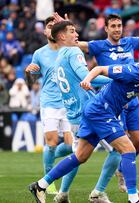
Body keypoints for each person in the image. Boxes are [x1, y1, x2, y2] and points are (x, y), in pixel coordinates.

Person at [52, 11, 139, 199]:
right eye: (113, 26)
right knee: (116, 147)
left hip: (131, 98)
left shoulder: (129, 42)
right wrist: (62, 31)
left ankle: (122, 170)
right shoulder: (98, 46)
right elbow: (74, 43)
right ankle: (99, 191)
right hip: (112, 99)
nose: (117, 29)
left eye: (119, 26)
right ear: (106, 28)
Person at [29, 53, 139, 203]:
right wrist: (87, 80)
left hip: (96, 111)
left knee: (80, 156)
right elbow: (99, 69)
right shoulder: (134, 71)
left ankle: (40, 185)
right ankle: (134, 199)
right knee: (129, 150)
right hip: (101, 111)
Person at [27, 21, 111, 203]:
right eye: (72, 31)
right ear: (61, 36)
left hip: (71, 111)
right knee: (119, 149)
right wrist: (116, 79)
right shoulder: (69, 52)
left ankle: (53, 189)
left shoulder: (59, 56)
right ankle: (100, 193)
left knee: (77, 155)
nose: (77, 34)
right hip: (82, 111)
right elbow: (85, 78)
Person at [24, 17, 77, 202]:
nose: (53, 28)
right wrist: (27, 73)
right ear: (46, 32)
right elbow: (31, 82)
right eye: (49, 26)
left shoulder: (68, 50)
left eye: (55, 26)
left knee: (73, 148)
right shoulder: (39, 53)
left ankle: (62, 191)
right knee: (52, 143)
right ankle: (49, 187)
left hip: (69, 102)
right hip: (49, 103)